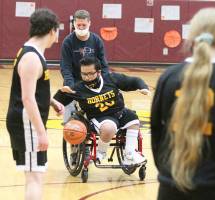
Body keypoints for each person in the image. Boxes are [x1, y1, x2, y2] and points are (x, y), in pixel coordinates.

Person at [151, 8, 215, 200]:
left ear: (191, 39)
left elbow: (157, 136)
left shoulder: (168, 78)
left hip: (170, 187)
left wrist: (169, 173)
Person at [6, 8, 64, 200]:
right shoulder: (31, 57)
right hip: (27, 123)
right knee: (35, 177)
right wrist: (41, 132)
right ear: (51, 30)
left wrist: (52, 101)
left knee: (34, 174)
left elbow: (34, 90)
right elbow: (28, 98)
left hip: (26, 122)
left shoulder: (32, 51)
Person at [54, 56, 149, 165]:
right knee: (109, 128)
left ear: (98, 72)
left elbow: (135, 80)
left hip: (119, 112)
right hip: (99, 117)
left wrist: (143, 87)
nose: (87, 77)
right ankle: (101, 153)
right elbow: (57, 102)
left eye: (90, 73)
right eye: (84, 74)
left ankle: (129, 154)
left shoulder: (111, 79)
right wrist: (61, 93)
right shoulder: (78, 89)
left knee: (133, 118)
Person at [60, 9, 110, 123]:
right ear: (74, 24)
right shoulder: (68, 42)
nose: (81, 27)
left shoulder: (96, 40)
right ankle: (70, 127)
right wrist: (70, 86)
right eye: (78, 25)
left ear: (89, 23)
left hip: (93, 81)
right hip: (74, 80)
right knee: (67, 98)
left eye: (84, 24)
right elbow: (65, 67)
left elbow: (103, 65)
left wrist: (107, 82)